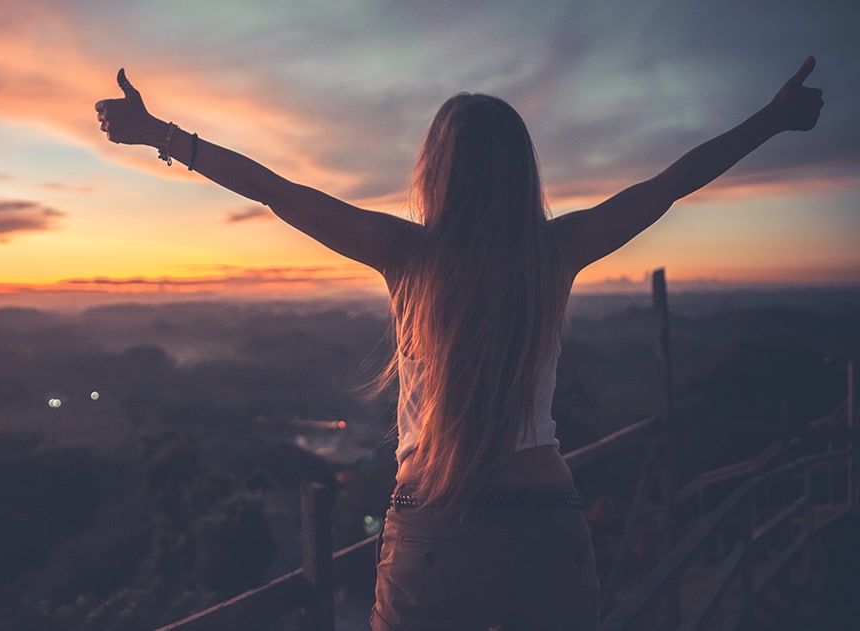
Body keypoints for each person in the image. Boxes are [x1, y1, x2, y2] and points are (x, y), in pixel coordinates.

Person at [95, 58, 823, 630]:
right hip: (550, 524)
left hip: (438, 527)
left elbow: (276, 190)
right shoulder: (559, 249)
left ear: (436, 171)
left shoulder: (408, 254)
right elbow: (670, 184)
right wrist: (773, 118)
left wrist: (161, 133)